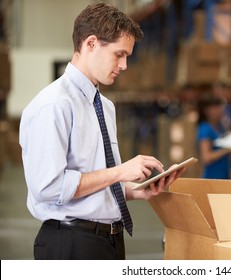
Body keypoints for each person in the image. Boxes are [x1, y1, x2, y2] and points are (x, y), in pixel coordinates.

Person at [19, 3, 185, 260]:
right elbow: (49, 188)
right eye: (119, 54)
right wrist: (119, 172)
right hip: (71, 244)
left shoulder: (104, 106)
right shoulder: (53, 105)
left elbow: (93, 178)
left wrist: (132, 190)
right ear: (91, 44)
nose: (125, 65)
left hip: (108, 240)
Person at [196, 95, 231, 179]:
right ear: (206, 111)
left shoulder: (221, 127)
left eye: (220, 107)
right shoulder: (205, 128)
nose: (220, 110)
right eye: (216, 108)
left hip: (225, 176)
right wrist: (226, 150)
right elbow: (206, 157)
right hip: (212, 178)